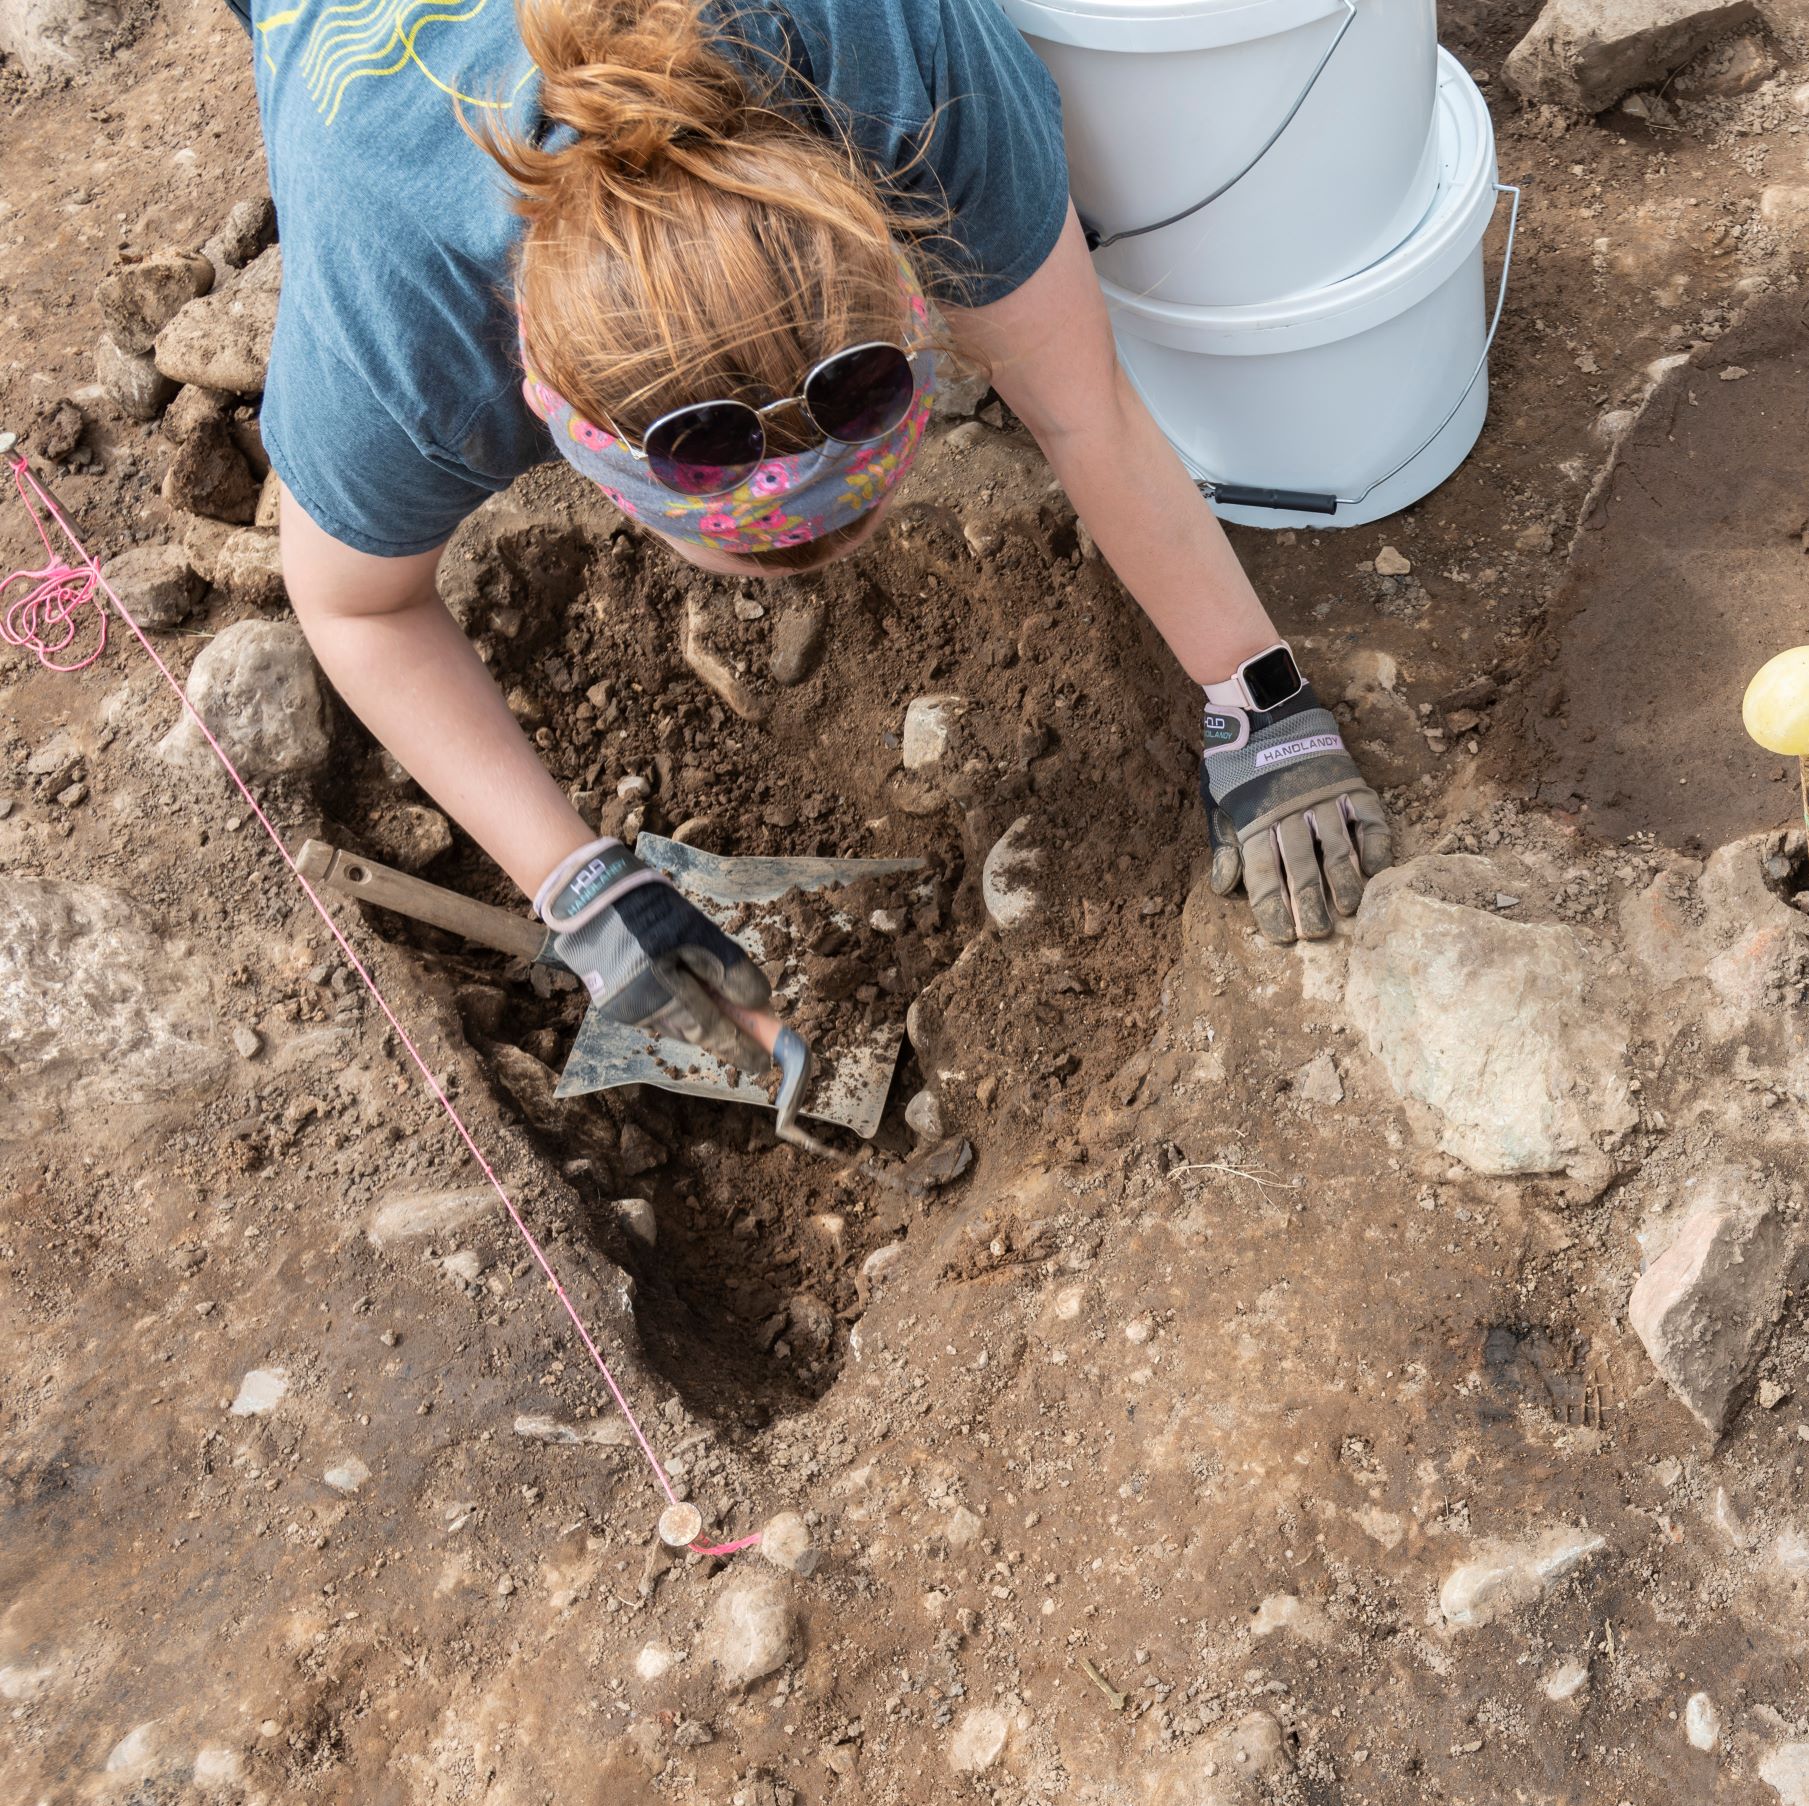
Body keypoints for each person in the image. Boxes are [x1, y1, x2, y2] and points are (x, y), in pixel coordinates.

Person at [237, 0, 1390, 1088]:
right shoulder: (397, 339)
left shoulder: (890, 68)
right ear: (562, 434)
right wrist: (572, 882)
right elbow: (352, 605)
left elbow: (1081, 400)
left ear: (902, 270)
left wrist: (1263, 694)